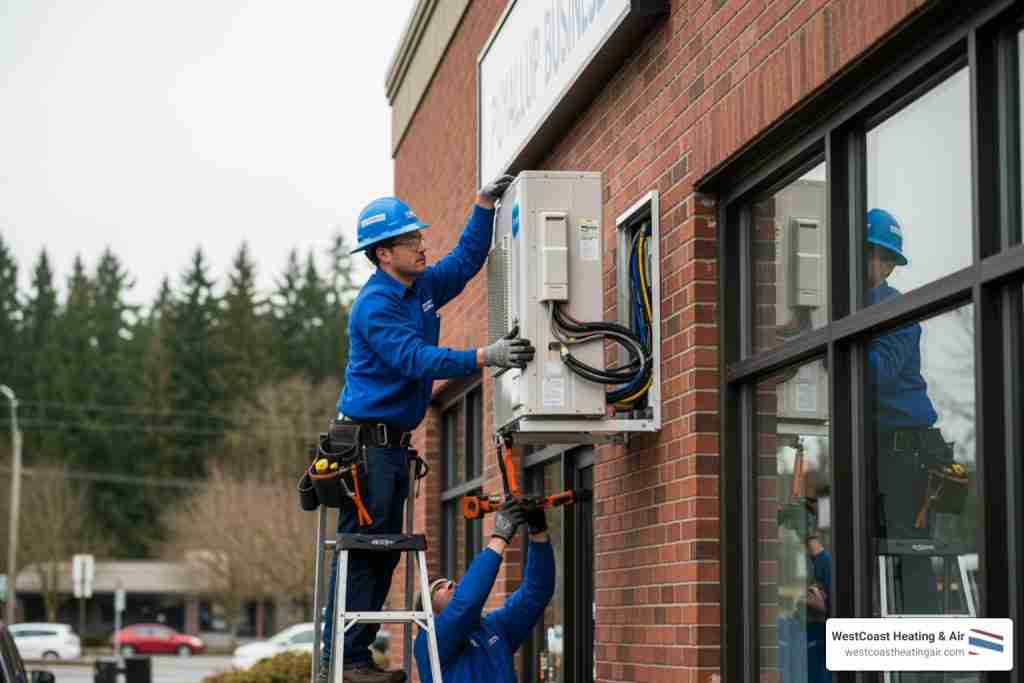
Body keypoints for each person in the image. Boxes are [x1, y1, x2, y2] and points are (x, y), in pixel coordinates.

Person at [319, 176, 537, 683]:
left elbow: (463, 262)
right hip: (366, 450)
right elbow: (415, 358)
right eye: (411, 239)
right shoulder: (375, 306)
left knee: (383, 557)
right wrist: (484, 355)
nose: (422, 245)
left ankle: (355, 656)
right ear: (383, 253)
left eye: (419, 236)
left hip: (391, 449)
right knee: (366, 555)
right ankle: (346, 658)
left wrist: (483, 205)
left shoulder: (419, 288)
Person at [866, 208, 941, 617]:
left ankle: (922, 650)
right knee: (871, 554)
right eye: (871, 253)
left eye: (882, 258)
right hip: (880, 449)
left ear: (888, 264)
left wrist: (830, 347)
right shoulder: (851, 307)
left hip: (908, 454)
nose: (877, 265)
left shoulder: (897, 311)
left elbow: (878, 371)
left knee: (910, 560)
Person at [414, 500, 555, 683]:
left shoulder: (493, 628)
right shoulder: (429, 643)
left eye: (448, 581)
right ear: (429, 614)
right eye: (438, 588)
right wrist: (500, 536)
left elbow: (536, 592)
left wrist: (538, 532)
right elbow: (466, 604)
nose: (450, 584)